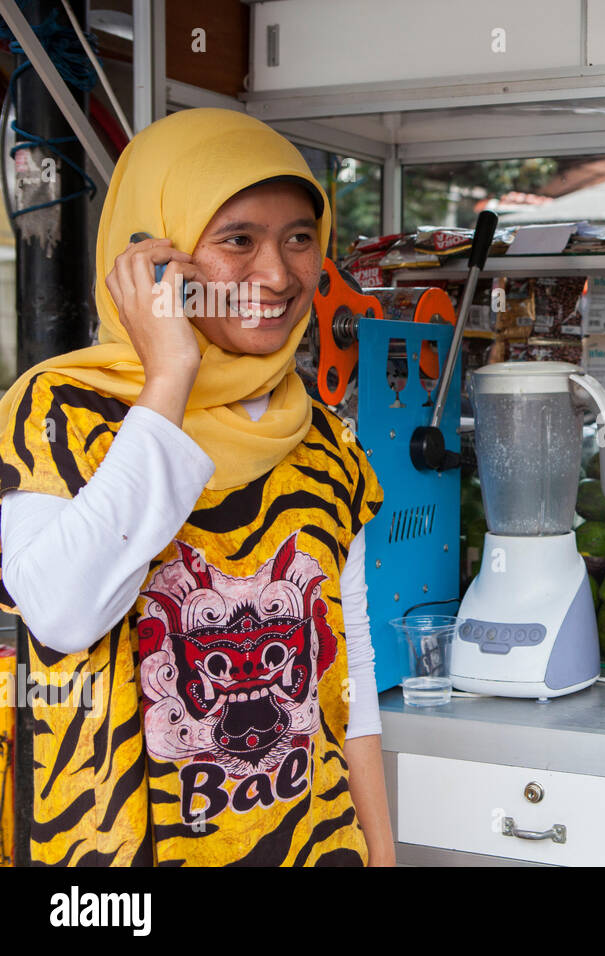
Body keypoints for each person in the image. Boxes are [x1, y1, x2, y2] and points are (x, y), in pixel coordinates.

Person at [0, 108, 394, 866]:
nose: (278, 275)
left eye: (300, 238)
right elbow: (63, 614)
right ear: (155, 255)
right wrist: (170, 376)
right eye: (238, 239)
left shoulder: (323, 440)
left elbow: (350, 669)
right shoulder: (59, 413)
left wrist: (380, 853)